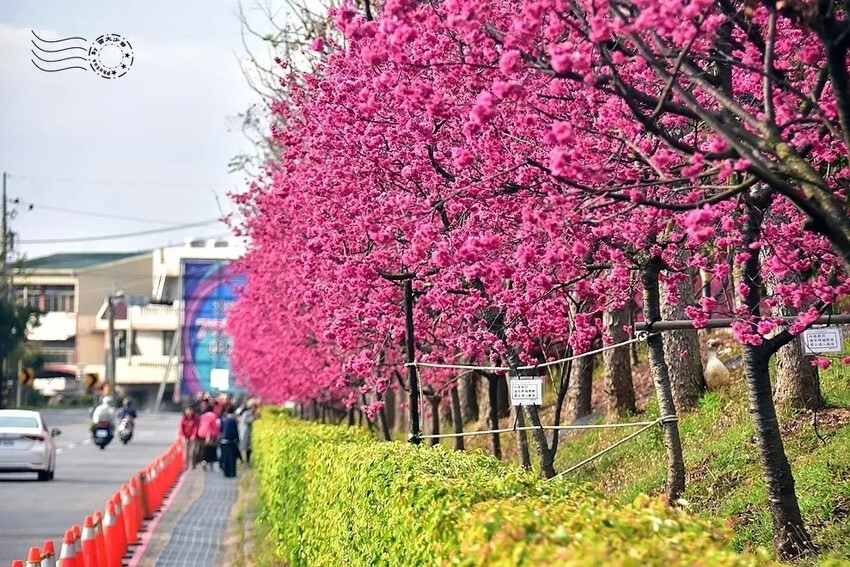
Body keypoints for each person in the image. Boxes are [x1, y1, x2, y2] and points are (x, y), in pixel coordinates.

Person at [219, 405, 240, 478]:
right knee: (232, 458)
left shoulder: (224, 419)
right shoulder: (233, 420)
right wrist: (237, 439)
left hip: (223, 441)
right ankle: (232, 472)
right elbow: (235, 431)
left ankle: (226, 472)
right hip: (231, 441)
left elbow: (221, 429)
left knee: (225, 457)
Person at [197, 405, 220, 471]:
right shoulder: (213, 416)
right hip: (211, 435)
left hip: (201, 434)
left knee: (203, 449)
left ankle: (203, 461)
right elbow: (214, 426)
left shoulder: (202, 416)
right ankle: (211, 465)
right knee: (211, 450)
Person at [237, 399, 257, 465]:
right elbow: (246, 421)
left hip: (249, 432)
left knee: (249, 447)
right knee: (243, 446)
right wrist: (254, 418)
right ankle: (242, 460)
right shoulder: (247, 413)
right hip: (245, 432)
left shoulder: (252, 413)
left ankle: (247, 461)